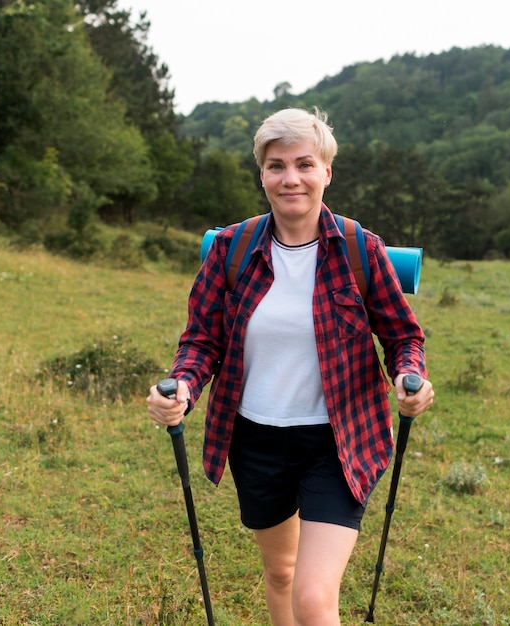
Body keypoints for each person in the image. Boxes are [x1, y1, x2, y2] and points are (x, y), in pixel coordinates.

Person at [147, 107, 434, 626]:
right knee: (280, 572)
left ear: (326, 172)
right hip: (256, 438)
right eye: (276, 166)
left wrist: (408, 377)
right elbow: (201, 340)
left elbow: (402, 336)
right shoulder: (231, 250)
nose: (291, 177)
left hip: (338, 441)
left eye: (305, 164)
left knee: (313, 596)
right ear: (262, 175)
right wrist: (183, 386)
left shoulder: (359, 250)